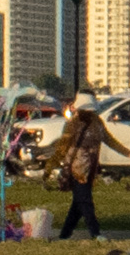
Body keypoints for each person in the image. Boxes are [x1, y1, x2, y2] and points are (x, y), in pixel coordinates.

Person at [44, 101, 111, 239]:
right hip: (76, 170)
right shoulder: (73, 124)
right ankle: (95, 233)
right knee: (85, 202)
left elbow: (109, 139)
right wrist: (49, 167)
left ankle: (64, 235)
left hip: (89, 169)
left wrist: (129, 153)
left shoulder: (97, 123)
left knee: (78, 205)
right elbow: (62, 147)